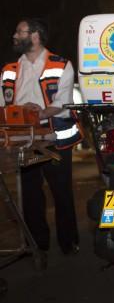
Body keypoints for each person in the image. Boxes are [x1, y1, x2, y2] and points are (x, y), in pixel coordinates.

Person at [1, 18, 82, 260]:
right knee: (30, 193)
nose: (15, 36)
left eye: (20, 31)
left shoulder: (61, 64)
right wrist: (18, 112)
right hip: (24, 141)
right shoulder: (9, 70)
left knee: (61, 191)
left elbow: (62, 103)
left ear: (35, 36)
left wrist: (39, 112)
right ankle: (38, 244)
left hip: (53, 139)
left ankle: (69, 242)